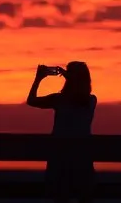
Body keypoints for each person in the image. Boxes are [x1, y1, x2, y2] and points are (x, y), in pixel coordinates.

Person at [26, 61, 97, 203]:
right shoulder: (60, 99)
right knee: (62, 197)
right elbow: (31, 101)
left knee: (79, 196)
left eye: (71, 73)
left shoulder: (89, 100)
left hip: (76, 156)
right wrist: (38, 79)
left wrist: (66, 76)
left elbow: (78, 98)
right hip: (66, 155)